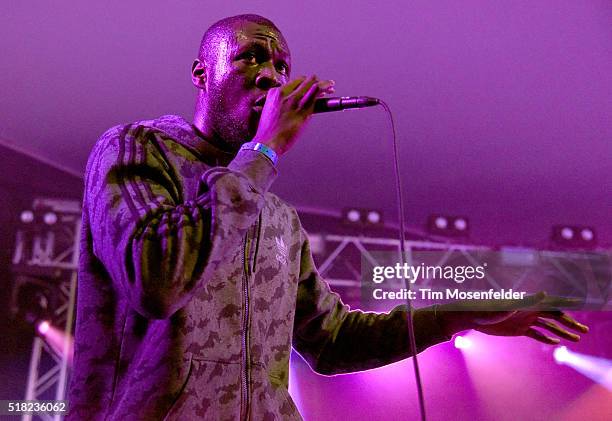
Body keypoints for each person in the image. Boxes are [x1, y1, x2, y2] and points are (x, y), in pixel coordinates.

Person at [67, 14, 589, 420]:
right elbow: (158, 279)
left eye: (280, 67)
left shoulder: (274, 216)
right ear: (202, 73)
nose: (270, 77)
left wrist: (453, 318)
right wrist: (265, 149)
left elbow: (330, 340)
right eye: (251, 59)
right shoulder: (136, 150)